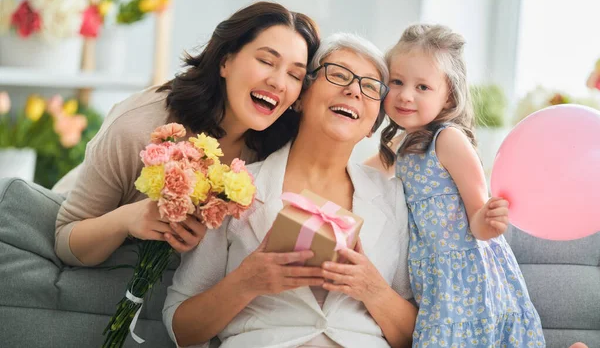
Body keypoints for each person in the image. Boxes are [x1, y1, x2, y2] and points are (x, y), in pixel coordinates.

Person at [163, 33, 417, 348]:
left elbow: (417, 338)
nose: (353, 90)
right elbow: (181, 328)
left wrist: (373, 290)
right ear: (300, 96)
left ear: (372, 124)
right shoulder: (236, 186)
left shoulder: (394, 197)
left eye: (370, 87)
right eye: (338, 75)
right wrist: (245, 283)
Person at [54, 1, 320, 267]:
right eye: (266, 61)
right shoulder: (137, 127)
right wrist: (127, 219)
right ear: (225, 62)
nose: (278, 82)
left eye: (295, 75)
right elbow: (66, 240)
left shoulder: (279, 148)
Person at [366, 24, 546, 347]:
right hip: (434, 279)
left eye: (423, 86)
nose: (406, 94)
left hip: (467, 275)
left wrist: (490, 220)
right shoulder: (403, 146)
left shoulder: (448, 140)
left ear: (448, 95)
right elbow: (354, 174)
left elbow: (478, 217)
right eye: (397, 82)